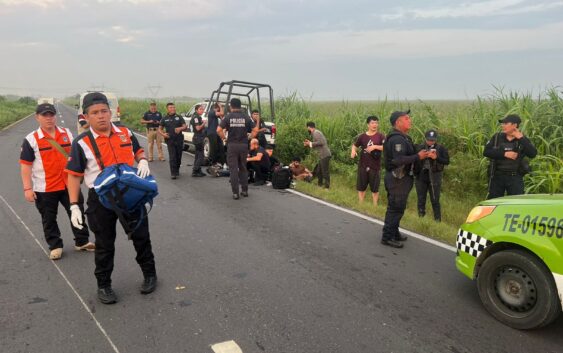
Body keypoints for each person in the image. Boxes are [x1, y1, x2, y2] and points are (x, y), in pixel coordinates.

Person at [65, 92, 157, 304]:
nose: (101, 116)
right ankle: (104, 285)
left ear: (111, 112)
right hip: (101, 198)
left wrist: (142, 160)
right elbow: (74, 176)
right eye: (94, 113)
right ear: (86, 117)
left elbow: (138, 150)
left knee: (141, 237)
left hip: (129, 194)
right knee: (105, 244)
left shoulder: (125, 132)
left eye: (104, 111)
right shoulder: (81, 143)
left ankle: (150, 274)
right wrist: (74, 206)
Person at [19, 103, 94, 260]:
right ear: (37, 117)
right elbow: (25, 166)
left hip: (68, 184)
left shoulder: (66, 133)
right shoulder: (31, 139)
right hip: (45, 187)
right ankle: (55, 245)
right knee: (49, 218)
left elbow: (77, 157)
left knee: (77, 211)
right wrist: (27, 189)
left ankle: (82, 241)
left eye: (51, 115)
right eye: (44, 115)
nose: (49, 118)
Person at [381, 111, 428, 248]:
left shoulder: (404, 137)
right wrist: (418, 157)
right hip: (397, 178)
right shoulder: (397, 139)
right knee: (395, 208)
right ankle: (387, 236)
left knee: (399, 207)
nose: (410, 120)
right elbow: (398, 160)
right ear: (398, 122)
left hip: (402, 178)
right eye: (406, 119)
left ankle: (394, 232)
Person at [484, 114, 537, 199]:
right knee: (494, 202)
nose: (503, 126)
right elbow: (486, 152)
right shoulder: (497, 137)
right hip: (497, 177)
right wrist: (504, 154)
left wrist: (521, 138)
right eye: (502, 124)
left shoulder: (522, 139)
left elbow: (533, 154)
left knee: (516, 202)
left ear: (514, 125)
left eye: (505, 123)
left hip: (515, 178)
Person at [217, 98, 258, 199]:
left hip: (232, 145)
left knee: (233, 169)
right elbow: (255, 130)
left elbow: (218, 130)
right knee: (243, 168)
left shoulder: (228, 117)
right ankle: (245, 191)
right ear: (240, 106)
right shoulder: (246, 117)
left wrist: (224, 138)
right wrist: (250, 137)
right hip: (244, 145)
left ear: (231, 106)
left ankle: (235, 193)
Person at [414, 129, 450, 222]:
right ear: (425, 138)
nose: (431, 142)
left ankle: (437, 220)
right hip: (421, 176)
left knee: (435, 199)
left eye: (433, 140)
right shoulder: (419, 147)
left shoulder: (441, 148)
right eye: (429, 140)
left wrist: (436, 157)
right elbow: (413, 159)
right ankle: (421, 218)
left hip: (435, 177)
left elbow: (447, 161)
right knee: (421, 198)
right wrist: (422, 156)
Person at [350, 116, 385, 206]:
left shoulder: (380, 136)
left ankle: (374, 206)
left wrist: (375, 147)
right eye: (372, 123)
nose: (375, 125)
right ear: (368, 124)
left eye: (376, 123)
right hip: (363, 165)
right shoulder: (362, 136)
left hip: (375, 166)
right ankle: (361, 204)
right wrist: (353, 151)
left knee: (375, 188)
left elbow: (386, 147)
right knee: (361, 187)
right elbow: (355, 145)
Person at [159, 102, 187, 179]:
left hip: (179, 139)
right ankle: (173, 173)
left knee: (178, 156)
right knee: (172, 156)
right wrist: (163, 134)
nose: (173, 109)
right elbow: (160, 129)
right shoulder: (164, 118)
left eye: (174, 107)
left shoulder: (179, 117)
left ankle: (177, 169)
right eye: (171, 107)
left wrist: (180, 128)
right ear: (167, 109)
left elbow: (185, 126)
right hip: (170, 140)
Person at [304, 122, 331, 188]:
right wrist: (309, 143)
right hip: (322, 155)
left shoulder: (316, 133)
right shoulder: (315, 133)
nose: (307, 129)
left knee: (325, 172)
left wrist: (310, 143)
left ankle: (327, 187)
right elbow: (317, 144)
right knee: (318, 171)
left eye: (307, 128)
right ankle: (320, 185)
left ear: (309, 127)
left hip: (324, 155)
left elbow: (321, 142)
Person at [190, 104, 206, 177]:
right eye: (200, 109)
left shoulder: (198, 117)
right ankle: (195, 170)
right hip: (198, 137)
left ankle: (198, 170)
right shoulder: (196, 117)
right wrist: (203, 123)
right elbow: (198, 128)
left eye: (203, 109)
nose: (202, 110)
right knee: (200, 155)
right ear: (196, 110)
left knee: (197, 155)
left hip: (199, 137)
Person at [207, 103, 226, 167]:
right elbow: (222, 113)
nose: (220, 110)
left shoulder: (215, 114)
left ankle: (220, 162)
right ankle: (212, 163)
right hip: (212, 133)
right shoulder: (212, 112)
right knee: (214, 148)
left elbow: (222, 117)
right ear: (216, 108)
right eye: (219, 108)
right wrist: (220, 106)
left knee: (220, 147)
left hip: (217, 133)